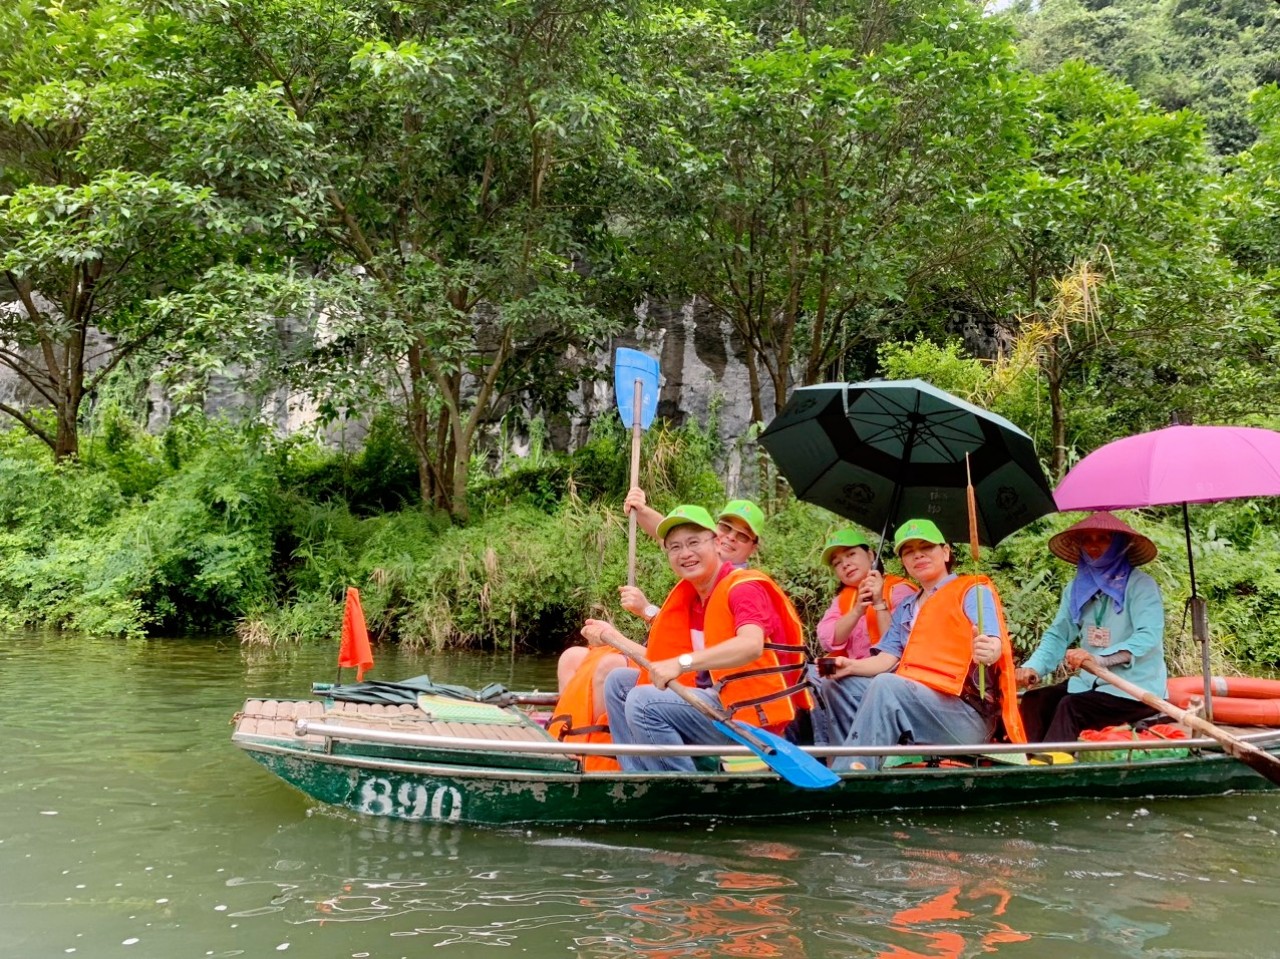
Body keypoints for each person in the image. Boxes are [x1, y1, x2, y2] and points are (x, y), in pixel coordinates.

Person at [581, 504, 807, 773]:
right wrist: (611, 636)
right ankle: (637, 776)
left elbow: (751, 644)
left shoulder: (744, 588)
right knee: (619, 682)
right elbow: (657, 662)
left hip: (750, 719)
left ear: (716, 544)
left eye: (694, 543)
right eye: (675, 547)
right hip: (712, 702)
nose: (685, 553)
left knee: (643, 700)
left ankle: (677, 787)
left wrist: (681, 663)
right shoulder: (693, 597)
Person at [818, 518, 1026, 771]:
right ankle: (853, 765)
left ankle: (852, 772)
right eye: (909, 551)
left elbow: (993, 641)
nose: (918, 555)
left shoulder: (972, 590)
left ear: (946, 552)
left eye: (926, 547)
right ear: (904, 562)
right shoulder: (907, 607)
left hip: (966, 717)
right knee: (838, 685)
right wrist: (849, 666)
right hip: (920, 706)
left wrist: (988, 649)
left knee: (888, 684)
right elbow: (886, 659)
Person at [1015, 512, 1166, 743]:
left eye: (1103, 539)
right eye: (1087, 539)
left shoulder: (1141, 586)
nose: (1094, 546)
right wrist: (1033, 667)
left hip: (1132, 690)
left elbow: (1148, 636)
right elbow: (1059, 633)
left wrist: (1100, 659)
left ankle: (1054, 768)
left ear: (1119, 545)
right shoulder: (1076, 588)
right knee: (1035, 700)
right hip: (1089, 685)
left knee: (1071, 707)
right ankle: (1027, 762)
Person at [815, 528, 917, 659]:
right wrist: (857, 611)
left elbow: (901, 643)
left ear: (870, 555)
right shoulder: (842, 599)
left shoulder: (898, 589)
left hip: (887, 671)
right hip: (848, 671)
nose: (845, 564)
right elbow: (827, 640)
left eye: (851, 554)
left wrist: (879, 603)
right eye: (837, 563)